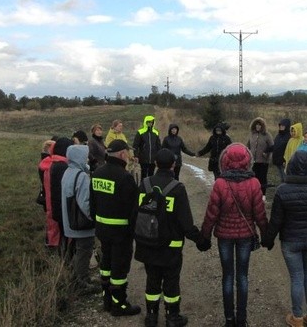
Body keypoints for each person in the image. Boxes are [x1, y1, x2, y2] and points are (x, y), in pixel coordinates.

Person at [134, 148, 212, 327]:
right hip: (170, 247)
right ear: (173, 165)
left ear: (155, 164)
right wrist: (201, 241)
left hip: (147, 243)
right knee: (171, 282)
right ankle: (172, 317)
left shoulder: (144, 184)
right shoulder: (177, 188)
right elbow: (186, 223)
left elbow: (135, 213)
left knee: (152, 279)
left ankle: (151, 317)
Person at [262, 150, 307, 327]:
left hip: (291, 241)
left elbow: (276, 221)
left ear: (291, 166)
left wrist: (268, 241)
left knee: (297, 278)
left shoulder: (282, 190)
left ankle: (298, 318)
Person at [201, 143, 268, 327]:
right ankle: (242, 319)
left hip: (224, 235)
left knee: (228, 277)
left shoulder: (220, 183)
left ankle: (229, 319)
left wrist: (204, 236)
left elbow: (211, 213)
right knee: (243, 277)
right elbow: (260, 214)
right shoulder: (254, 183)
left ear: (225, 160)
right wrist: (266, 235)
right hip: (246, 235)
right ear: (248, 160)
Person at [89, 139, 142, 316]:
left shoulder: (97, 173)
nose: (129, 157)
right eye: (128, 153)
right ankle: (119, 304)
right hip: (120, 232)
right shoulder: (125, 177)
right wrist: (135, 233)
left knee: (106, 263)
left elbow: (93, 203)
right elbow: (133, 210)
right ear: (122, 154)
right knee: (119, 267)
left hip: (102, 229)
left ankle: (106, 299)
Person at [60, 144, 97, 295]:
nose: (87, 158)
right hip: (82, 224)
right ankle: (81, 282)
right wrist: (93, 218)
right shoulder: (81, 176)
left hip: (70, 221)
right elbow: (85, 202)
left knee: (78, 250)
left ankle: (80, 278)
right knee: (84, 251)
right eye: (85, 155)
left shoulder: (68, 172)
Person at [47, 137, 74, 255]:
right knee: (65, 238)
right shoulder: (62, 167)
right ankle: (66, 261)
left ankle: (63, 259)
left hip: (56, 208)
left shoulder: (53, 164)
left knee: (62, 236)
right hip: (63, 210)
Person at [246, 117, 273, 199]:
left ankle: (263, 195)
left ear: (262, 126)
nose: (258, 127)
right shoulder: (252, 135)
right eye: (256, 125)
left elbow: (272, 146)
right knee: (253, 178)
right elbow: (247, 146)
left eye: (259, 125)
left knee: (262, 178)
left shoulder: (267, 135)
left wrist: (267, 153)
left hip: (263, 161)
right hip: (253, 161)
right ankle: (254, 193)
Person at [133, 115, 162, 179]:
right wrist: (136, 156)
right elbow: (135, 145)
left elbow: (159, 146)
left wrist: (159, 157)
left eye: (151, 122)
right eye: (148, 122)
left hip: (153, 159)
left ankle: (150, 187)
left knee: (151, 175)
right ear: (145, 122)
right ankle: (143, 187)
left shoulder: (156, 133)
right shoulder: (140, 132)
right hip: (143, 158)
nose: (150, 124)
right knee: (144, 175)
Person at [271, 118, 291, 183]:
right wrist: (267, 150)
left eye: (283, 126)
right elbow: (275, 146)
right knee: (281, 178)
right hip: (277, 160)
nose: (281, 127)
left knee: (285, 179)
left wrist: (285, 160)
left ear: (287, 127)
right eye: (280, 126)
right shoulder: (278, 135)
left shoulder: (289, 137)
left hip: (283, 161)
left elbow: (288, 150)